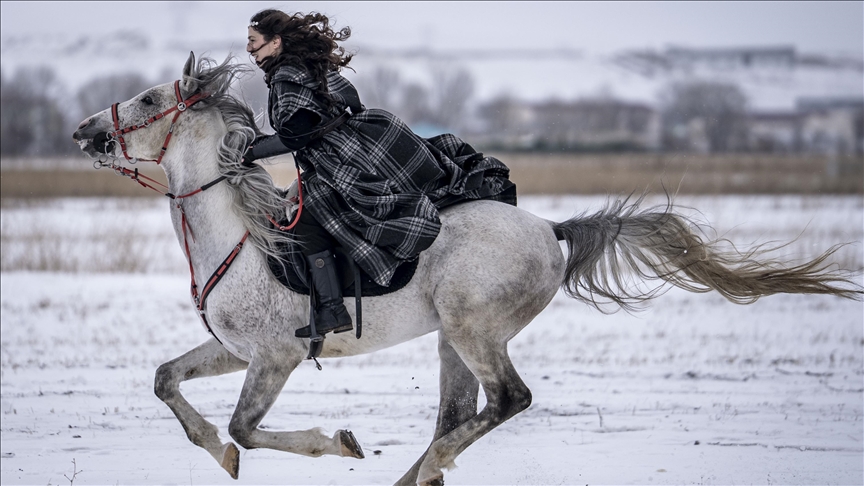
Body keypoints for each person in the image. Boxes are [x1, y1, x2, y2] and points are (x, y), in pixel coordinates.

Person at [242, 9, 517, 339]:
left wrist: (251, 152)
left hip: (343, 155)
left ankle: (331, 309)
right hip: (366, 135)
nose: (249, 48)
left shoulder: (287, 74)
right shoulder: (306, 66)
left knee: (307, 219)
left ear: (275, 43)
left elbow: (296, 135)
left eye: (253, 41)